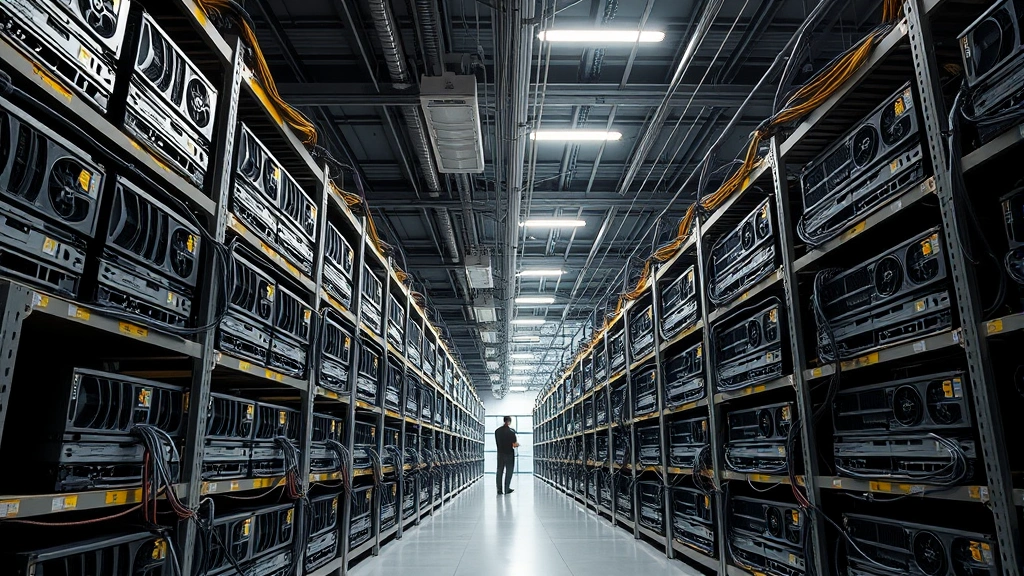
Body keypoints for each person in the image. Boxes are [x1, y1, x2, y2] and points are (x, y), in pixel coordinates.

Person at [494, 416, 519, 495]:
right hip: (509, 454)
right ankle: (506, 488)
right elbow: (514, 445)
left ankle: (499, 490)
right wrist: (517, 444)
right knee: (509, 471)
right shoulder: (511, 432)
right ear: (509, 422)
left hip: (500, 453)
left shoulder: (497, 431)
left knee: (499, 471)